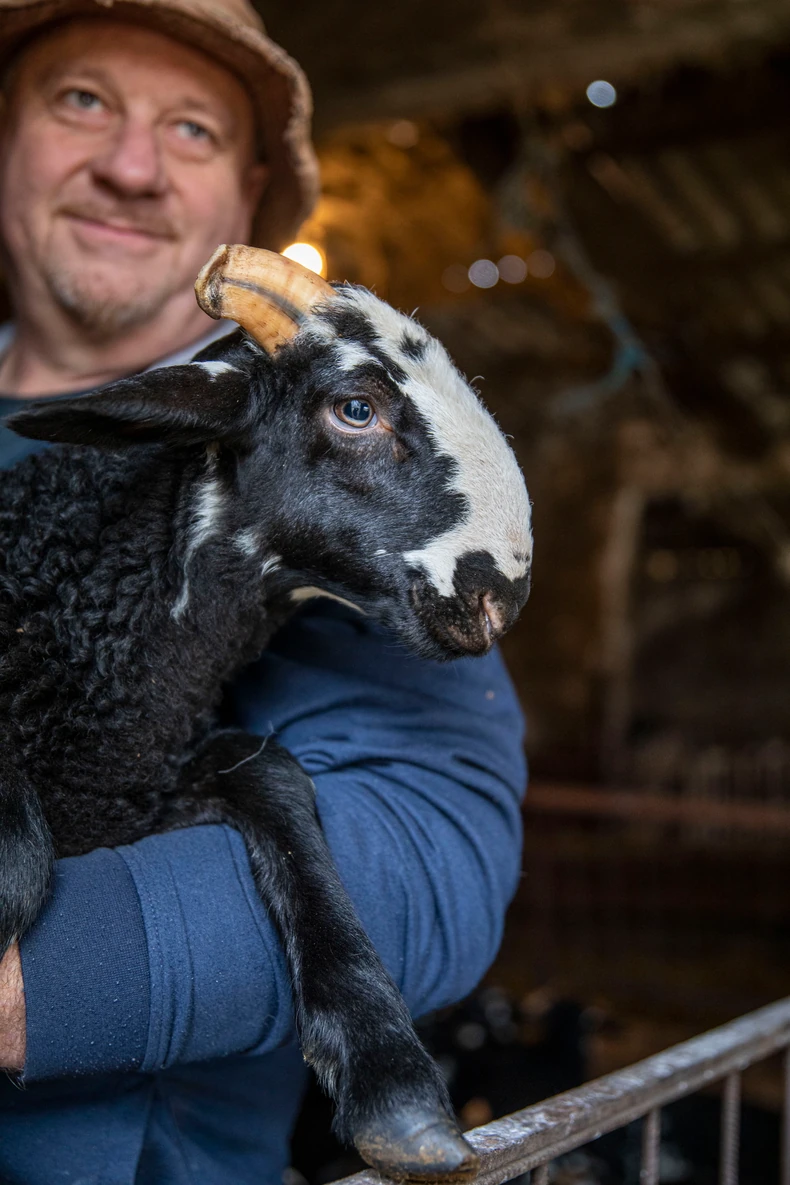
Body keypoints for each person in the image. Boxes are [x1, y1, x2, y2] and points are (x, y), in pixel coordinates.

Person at [0, 3, 527, 1183]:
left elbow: (435, 851)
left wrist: (46, 973)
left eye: (189, 129)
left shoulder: (329, 485)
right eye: (80, 100)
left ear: (246, 201)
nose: (131, 166)